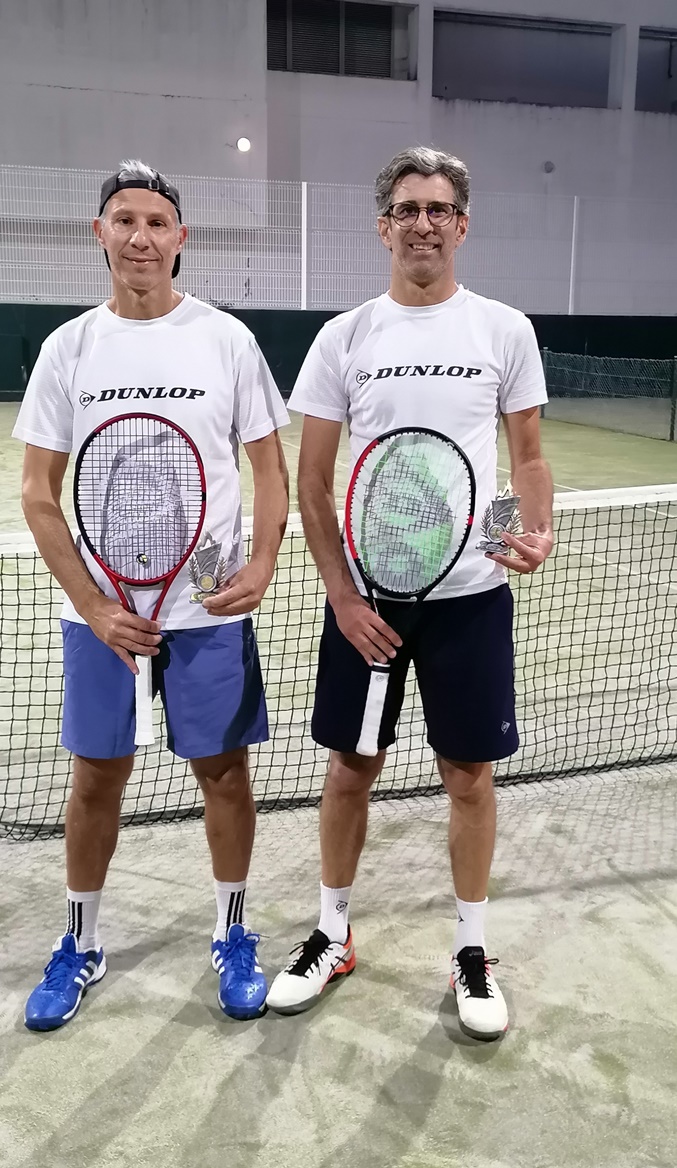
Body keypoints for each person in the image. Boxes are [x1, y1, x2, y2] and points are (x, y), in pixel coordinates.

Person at [266, 146, 553, 1040]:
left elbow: (523, 457)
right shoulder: (345, 337)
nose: (422, 222)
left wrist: (524, 528)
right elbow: (312, 483)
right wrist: (343, 596)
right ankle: (331, 932)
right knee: (351, 767)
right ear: (382, 225)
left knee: (468, 774)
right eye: (406, 208)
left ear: (460, 225)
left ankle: (471, 950)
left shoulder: (502, 329)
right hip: (369, 600)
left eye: (437, 208)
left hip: (470, 599)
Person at [13, 159, 289, 1029]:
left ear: (181, 238)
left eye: (157, 221)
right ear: (100, 234)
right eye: (124, 220)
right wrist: (94, 606)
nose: (141, 236)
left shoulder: (225, 340)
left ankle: (233, 932)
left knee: (223, 774)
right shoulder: (70, 347)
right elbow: (35, 490)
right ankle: (81, 942)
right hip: (104, 610)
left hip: (204, 603)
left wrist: (264, 564)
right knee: (97, 777)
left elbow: (270, 474)